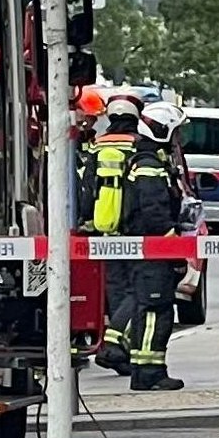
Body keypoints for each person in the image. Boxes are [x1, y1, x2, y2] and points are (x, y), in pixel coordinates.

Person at [113, 101, 190, 389]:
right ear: (163, 130)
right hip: (153, 251)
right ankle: (148, 373)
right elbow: (154, 213)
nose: (178, 140)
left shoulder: (150, 160)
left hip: (150, 250)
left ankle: (148, 371)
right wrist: (175, 249)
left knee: (153, 308)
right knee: (154, 310)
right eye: (175, 133)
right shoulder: (148, 165)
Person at [86, 98, 143, 372]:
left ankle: (121, 351)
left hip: (104, 227)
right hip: (132, 227)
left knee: (116, 289)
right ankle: (116, 343)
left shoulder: (99, 144)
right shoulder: (139, 143)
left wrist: (87, 220)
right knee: (137, 289)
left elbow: (88, 184)